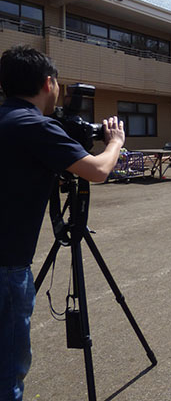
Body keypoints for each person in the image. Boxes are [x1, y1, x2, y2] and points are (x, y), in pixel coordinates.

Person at [0, 45, 126, 400]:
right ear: (48, 83)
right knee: (8, 373)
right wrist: (115, 141)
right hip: (7, 266)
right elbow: (98, 170)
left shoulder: (9, 121)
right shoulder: (35, 126)